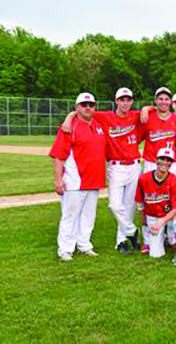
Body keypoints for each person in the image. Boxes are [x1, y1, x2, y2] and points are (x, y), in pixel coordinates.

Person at [60, 87, 143, 255]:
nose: (125, 102)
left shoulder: (136, 115)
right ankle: (131, 230)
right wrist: (68, 119)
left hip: (134, 165)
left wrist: (148, 108)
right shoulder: (105, 116)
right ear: (116, 101)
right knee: (114, 204)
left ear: (132, 101)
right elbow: (80, 112)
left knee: (129, 206)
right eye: (122, 99)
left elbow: (155, 109)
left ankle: (121, 241)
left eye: (128, 99)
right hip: (116, 166)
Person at [49, 93, 107, 261]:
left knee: (89, 216)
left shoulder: (98, 124)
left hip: (94, 179)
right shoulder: (69, 127)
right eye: (84, 104)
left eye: (91, 104)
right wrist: (58, 180)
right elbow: (59, 156)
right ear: (77, 108)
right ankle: (65, 249)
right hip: (75, 180)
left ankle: (84, 245)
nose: (88, 107)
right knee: (70, 215)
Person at [141, 87, 176, 252]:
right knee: (148, 200)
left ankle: (171, 236)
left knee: (172, 199)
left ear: (170, 102)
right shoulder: (147, 117)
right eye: (160, 99)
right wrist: (146, 108)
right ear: (155, 101)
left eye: (167, 99)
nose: (164, 102)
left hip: (170, 162)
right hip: (152, 162)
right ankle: (146, 239)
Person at [135, 148, 176, 259]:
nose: (165, 162)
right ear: (156, 160)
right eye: (162, 159)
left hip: (169, 216)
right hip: (152, 216)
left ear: (171, 164)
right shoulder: (144, 178)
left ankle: (172, 239)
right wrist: (143, 218)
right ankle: (158, 239)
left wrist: (162, 221)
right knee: (156, 254)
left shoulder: (173, 180)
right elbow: (140, 201)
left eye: (168, 160)